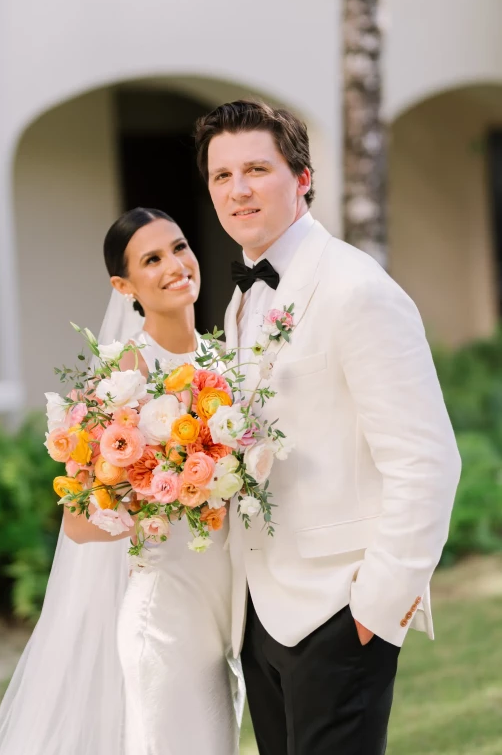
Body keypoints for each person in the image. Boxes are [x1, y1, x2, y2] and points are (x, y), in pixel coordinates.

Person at [194, 99, 461, 755]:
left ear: (303, 178)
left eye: (257, 168)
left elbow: (427, 459)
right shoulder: (241, 298)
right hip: (261, 611)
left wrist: (376, 608)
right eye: (222, 176)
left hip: (339, 612)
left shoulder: (356, 290)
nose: (239, 189)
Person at [0, 208, 241, 755]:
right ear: (124, 287)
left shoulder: (222, 359)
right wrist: (173, 488)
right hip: (167, 615)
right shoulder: (126, 373)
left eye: (179, 247)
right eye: (152, 259)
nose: (175, 265)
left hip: (224, 611)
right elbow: (80, 524)